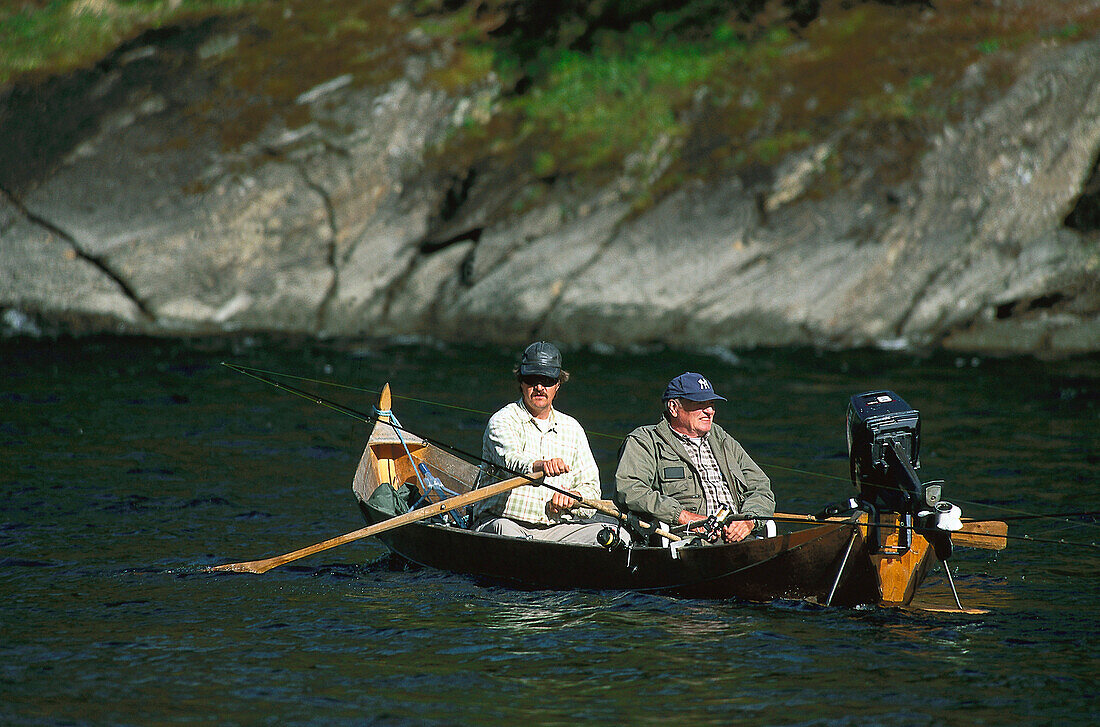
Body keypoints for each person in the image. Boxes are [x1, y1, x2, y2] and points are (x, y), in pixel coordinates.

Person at [474, 342, 624, 545]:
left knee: (618, 536)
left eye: (547, 380)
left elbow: (592, 490)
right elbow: (510, 460)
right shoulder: (502, 420)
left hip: (557, 530)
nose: (539, 387)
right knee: (507, 532)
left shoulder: (573, 428)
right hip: (505, 522)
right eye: (532, 379)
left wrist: (574, 498)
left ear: (558, 384)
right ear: (521, 382)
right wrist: (540, 466)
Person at [615, 372, 775, 543]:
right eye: (700, 404)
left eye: (712, 404)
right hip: (686, 541)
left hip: (739, 540)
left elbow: (761, 487)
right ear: (673, 408)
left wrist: (749, 520)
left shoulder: (722, 438)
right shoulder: (645, 440)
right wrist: (683, 517)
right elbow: (630, 489)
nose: (710, 411)